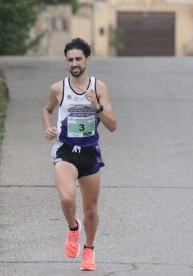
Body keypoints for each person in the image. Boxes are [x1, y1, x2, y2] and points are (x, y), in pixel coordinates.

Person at [42, 38, 117, 271]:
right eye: (70, 59)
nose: (74, 63)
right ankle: (73, 229)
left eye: (78, 59)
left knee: (91, 210)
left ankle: (89, 249)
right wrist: (48, 126)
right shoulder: (58, 88)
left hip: (90, 152)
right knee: (67, 198)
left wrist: (97, 107)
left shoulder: (99, 87)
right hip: (65, 150)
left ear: (87, 60)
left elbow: (112, 125)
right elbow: (47, 109)